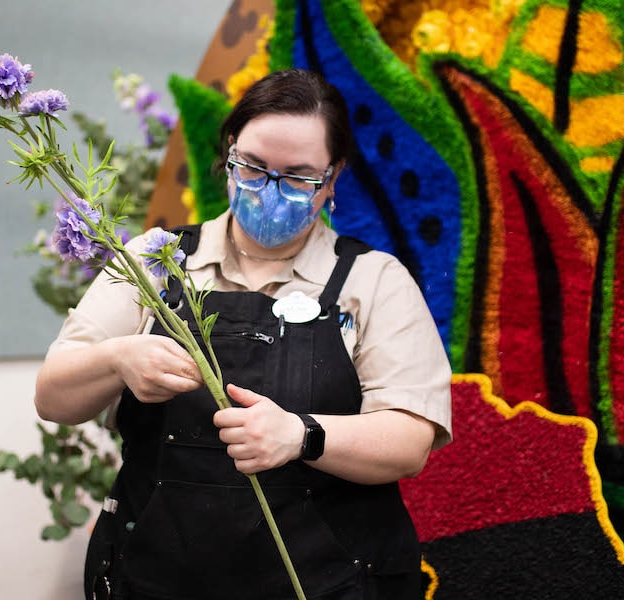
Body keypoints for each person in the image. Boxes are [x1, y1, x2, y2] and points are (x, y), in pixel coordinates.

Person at [34, 68, 452, 600]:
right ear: (230, 153)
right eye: (253, 167)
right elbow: (53, 396)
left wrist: (300, 436)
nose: (270, 190)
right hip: (157, 577)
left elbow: (409, 442)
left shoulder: (374, 282)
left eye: (298, 176)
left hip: (329, 581)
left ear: (332, 177)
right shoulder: (154, 262)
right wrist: (118, 357)